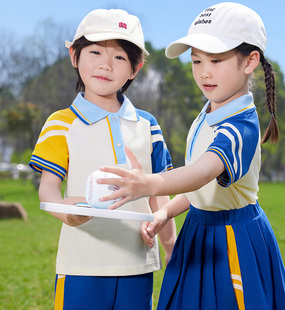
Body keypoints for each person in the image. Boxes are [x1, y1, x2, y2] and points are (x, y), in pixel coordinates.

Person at [98, 3, 285, 309]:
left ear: (250, 61)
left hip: (232, 239)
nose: (204, 72)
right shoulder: (208, 112)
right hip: (199, 231)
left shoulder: (240, 125)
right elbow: (202, 189)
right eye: (196, 60)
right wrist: (166, 212)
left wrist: (149, 183)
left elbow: (203, 172)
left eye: (216, 60)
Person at [29, 9, 176, 310]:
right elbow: (48, 190)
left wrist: (171, 245)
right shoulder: (61, 123)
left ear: (135, 68)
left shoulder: (149, 125)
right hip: (80, 263)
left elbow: (159, 193)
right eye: (95, 51)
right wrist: (66, 210)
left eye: (119, 57)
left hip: (138, 263)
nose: (105, 65)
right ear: (74, 55)